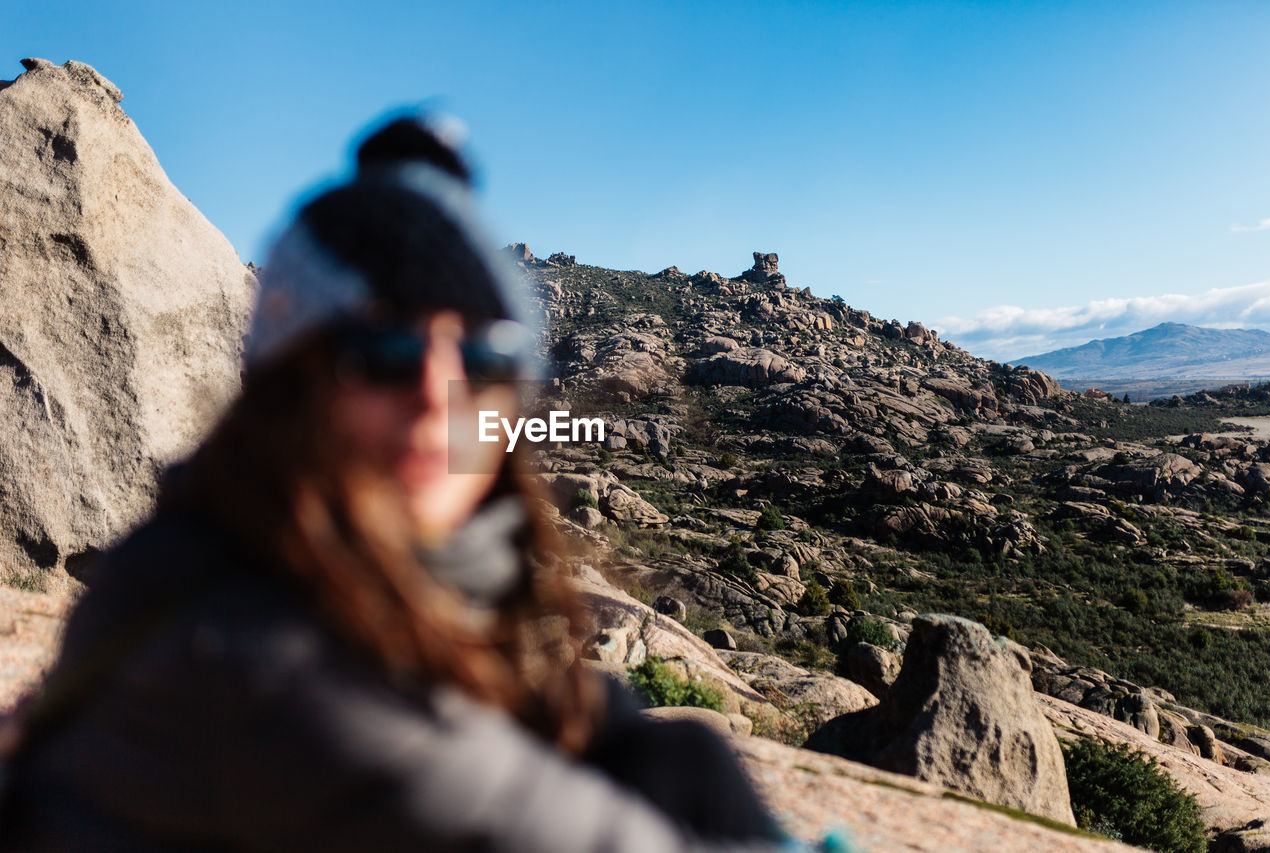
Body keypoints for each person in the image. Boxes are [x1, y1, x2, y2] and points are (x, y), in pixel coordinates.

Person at [0, 113, 837, 851]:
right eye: (387, 352)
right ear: (293, 383)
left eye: (479, 359)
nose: (440, 398)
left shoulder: (228, 548)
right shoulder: (262, 663)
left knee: (672, 754)